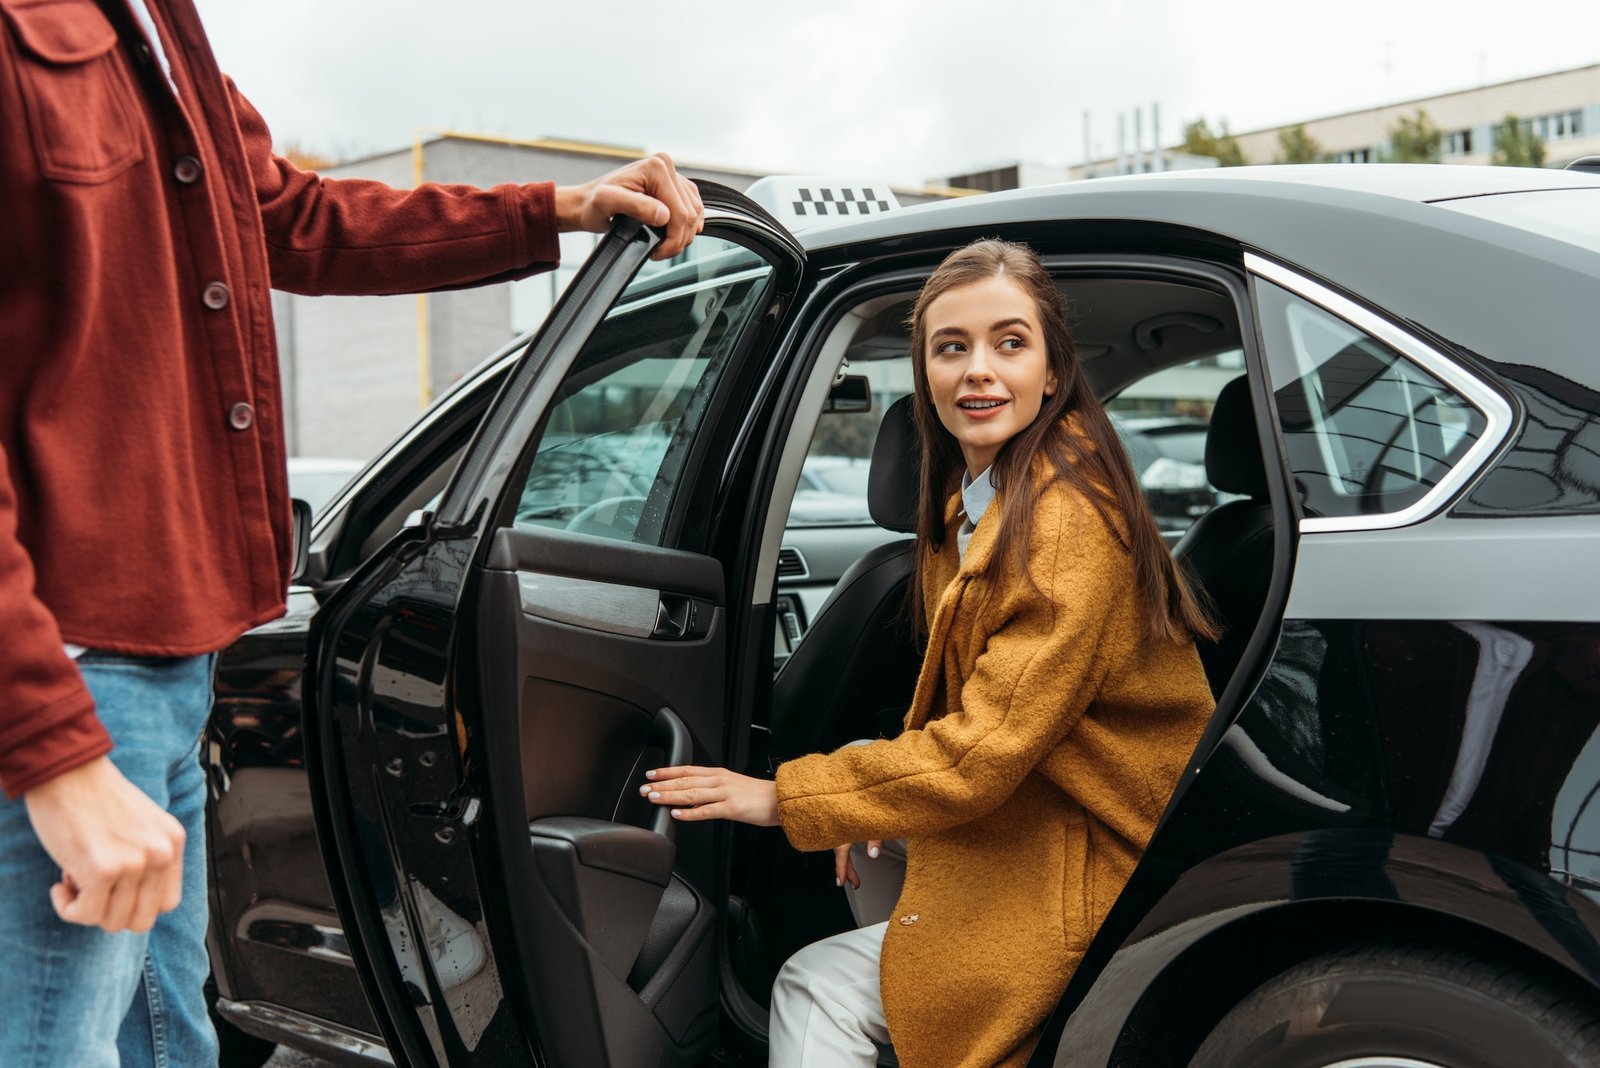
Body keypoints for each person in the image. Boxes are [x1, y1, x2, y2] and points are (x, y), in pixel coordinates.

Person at [0, 0, 704, 1063]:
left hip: (165, 663)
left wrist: (553, 209)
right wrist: (53, 753)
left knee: (165, 1033)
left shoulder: (158, 26)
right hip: (65, 671)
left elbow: (291, 217)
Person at [641, 239, 1218, 1067]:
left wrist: (781, 797)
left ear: (1053, 373)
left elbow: (981, 754)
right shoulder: (981, 503)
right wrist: (867, 782)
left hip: (1095, 860)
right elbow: (987, 714)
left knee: (813, 984)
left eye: (1009, 343)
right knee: (868, 843)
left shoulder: (1063, 526)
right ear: (926, 377)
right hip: (1040, 810)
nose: (978, 369)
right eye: (952, 347)